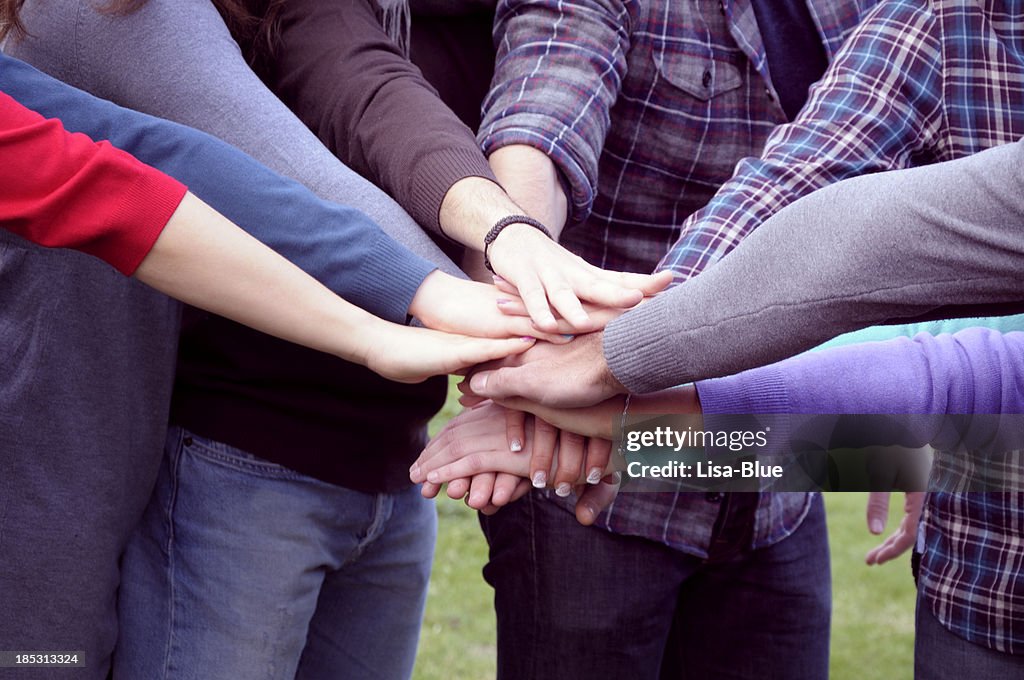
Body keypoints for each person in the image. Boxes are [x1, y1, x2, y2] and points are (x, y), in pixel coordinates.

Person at [6, 2, 667, 678]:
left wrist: (601, 393)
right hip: (566, 449)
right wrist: (545, 354)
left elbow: (776, 401)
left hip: (607, 442)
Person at [433, 136, 1024, 676]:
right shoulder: (932, 21)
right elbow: (966, 382)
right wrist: (632, 408)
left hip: (823, 510)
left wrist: (615, 365)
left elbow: (957, 377)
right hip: (980, 593)